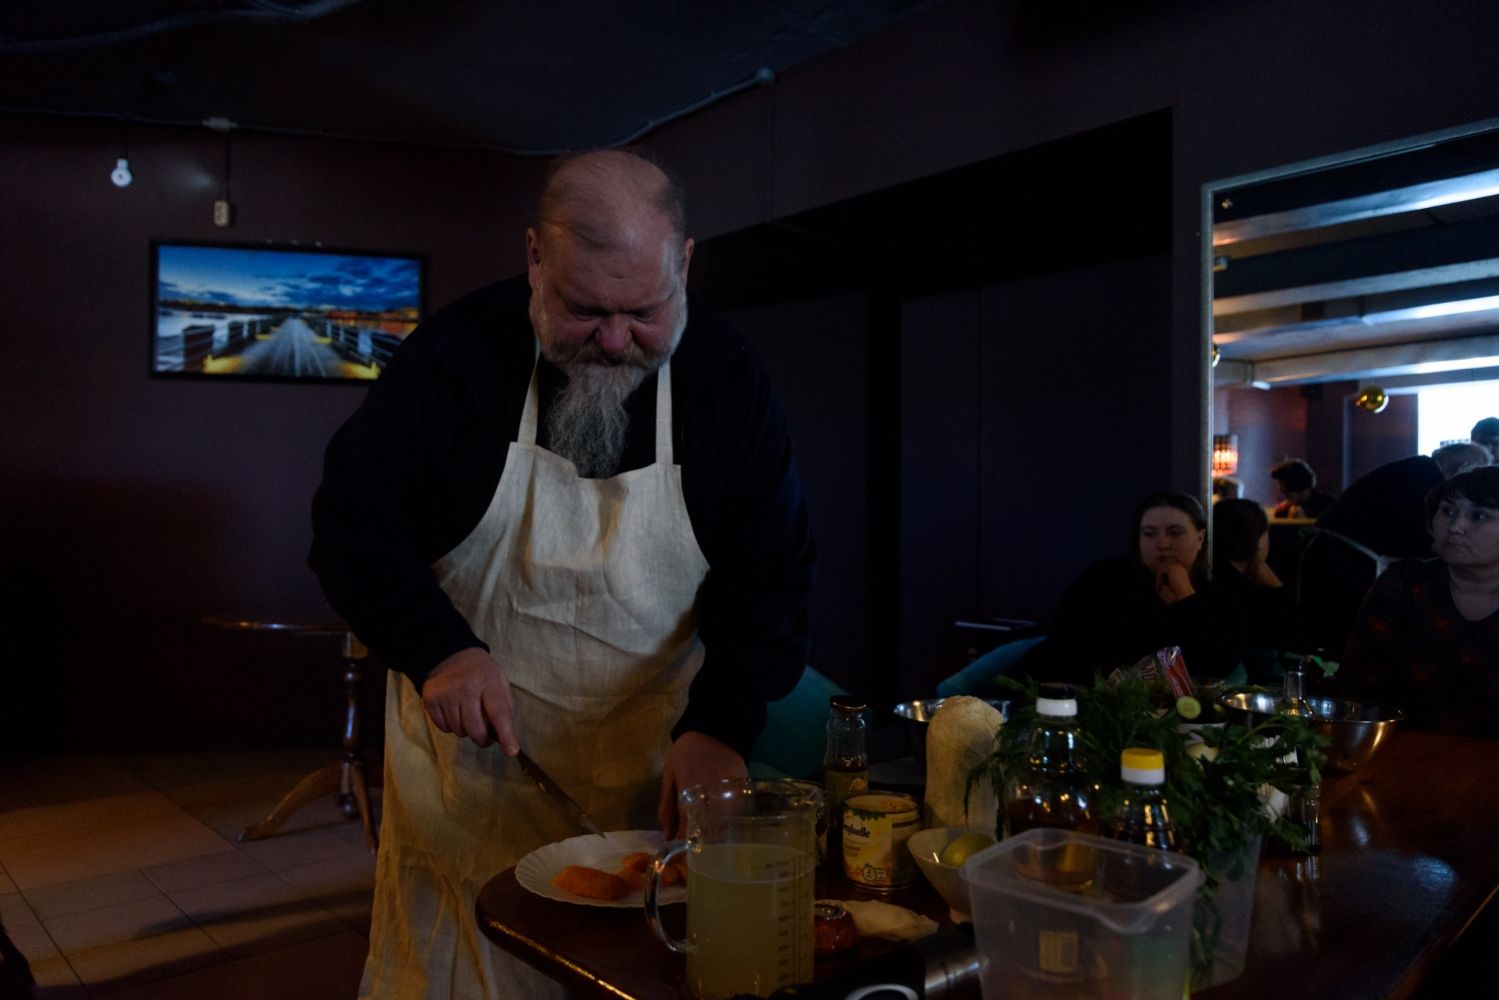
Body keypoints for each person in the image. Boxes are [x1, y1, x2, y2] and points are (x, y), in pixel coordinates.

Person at [309, 149, 816, 998]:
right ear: (535, 258)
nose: (615, 342)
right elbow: (352, 530)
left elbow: (772, 574)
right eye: (585, 311)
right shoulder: (452, 360)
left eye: (644, 311)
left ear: (684, 262)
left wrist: (722, 725)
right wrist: (438, 649)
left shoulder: (726, 377)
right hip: (473, 789)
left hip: (656, 784)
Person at [1018, 491, 1243, 684]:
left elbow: (1217, 665)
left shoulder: (1217, 590)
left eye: (1175, 533)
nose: (1163, 544)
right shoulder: (1103, 579)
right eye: (1149, 534)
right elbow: (1064, 649)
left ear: (1200, 538)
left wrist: (1186, 599)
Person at [1342, 467, 1499, 737]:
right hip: (1405, 746)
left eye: (1479, 516)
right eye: (1447, 511)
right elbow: (1359, 684)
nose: (1456, 527)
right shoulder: (1405, 584)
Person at [1212, 498, 1309, 677]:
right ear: (1258, 539)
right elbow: (1295, 636)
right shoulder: (1257, 588)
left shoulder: (1210, 575)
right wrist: (1276, 588)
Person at [1270, 458, 1337, 519]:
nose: (1281, 491)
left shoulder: (1330, 505)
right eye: (1280, 486)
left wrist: (1303, 521)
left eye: (1286, 488)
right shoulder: (1282, 512)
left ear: (1303, 487)